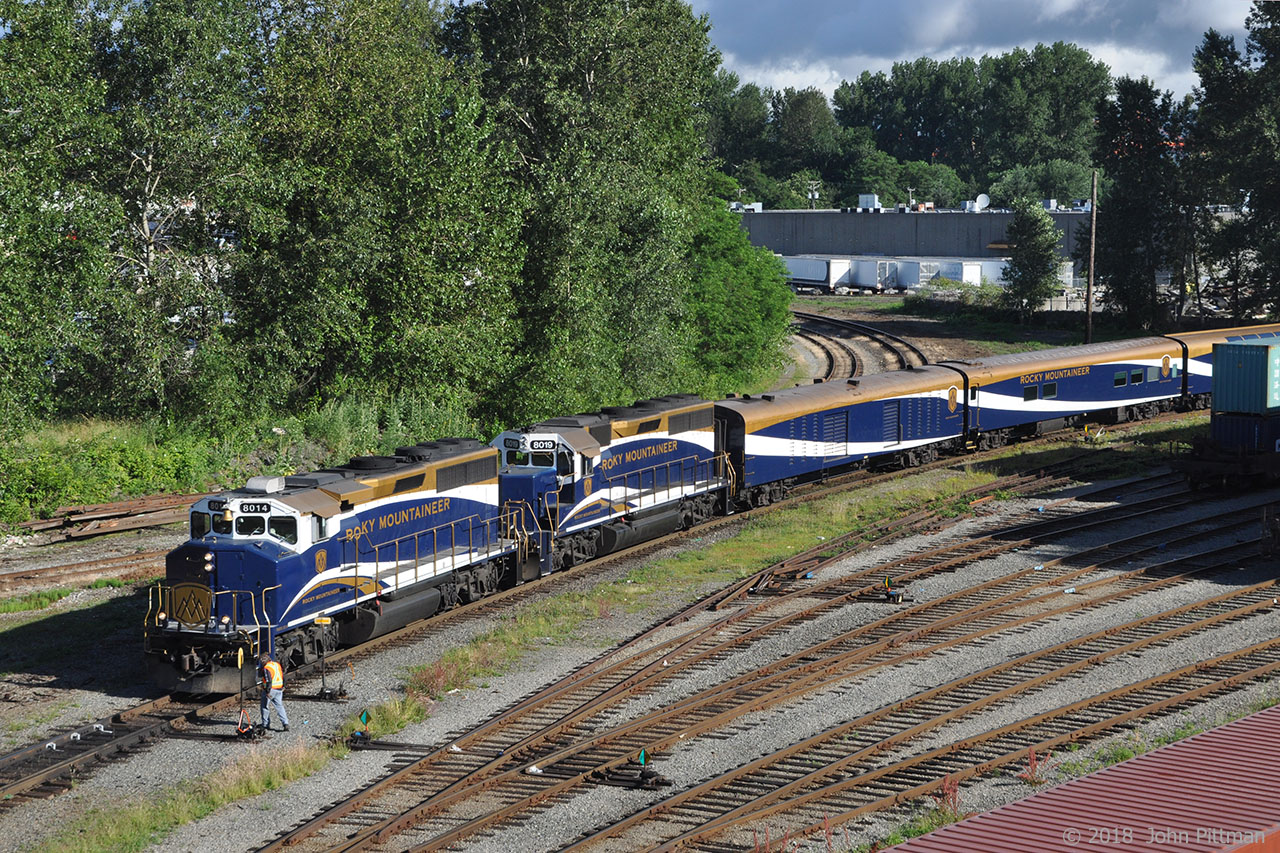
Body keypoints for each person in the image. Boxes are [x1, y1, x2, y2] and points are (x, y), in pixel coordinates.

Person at [259, 652, 289, 731]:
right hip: (279, 689)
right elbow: (283, 675)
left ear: (263, 661)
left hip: (271, 690)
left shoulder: (266, 668)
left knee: (265, 706)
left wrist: (267, 691)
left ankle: (265, 724)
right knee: (279, 706)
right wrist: (284, 686)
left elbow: (268, 680)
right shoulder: (277, 665)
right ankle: (285, 723)